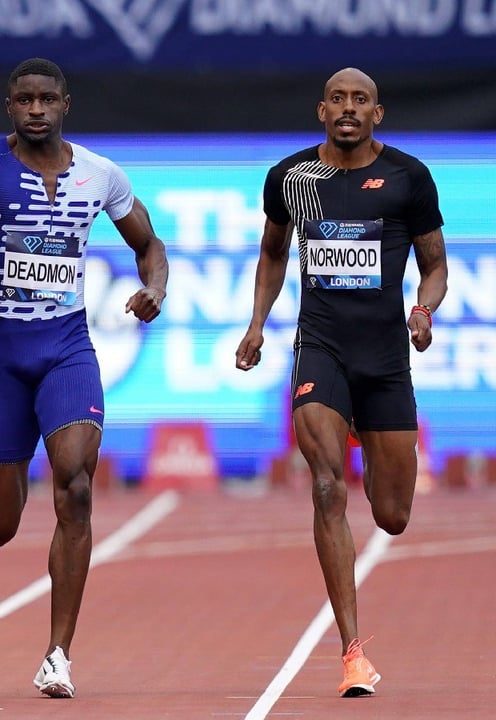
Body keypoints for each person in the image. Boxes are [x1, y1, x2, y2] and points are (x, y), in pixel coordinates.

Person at [0, 58, 168, 697]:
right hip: (5, 358)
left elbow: (149, 245)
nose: (35, 109)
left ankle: (58, 653)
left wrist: (155, 287)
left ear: (66, 103)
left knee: (76, 484)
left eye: (46, 99)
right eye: (24, 100)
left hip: (68, 350)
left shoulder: (101, 174)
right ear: (9, 106)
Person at [235, 67, 448, 697]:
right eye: (338, 99)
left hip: (384, 358)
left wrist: (423, 309)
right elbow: (273, 252)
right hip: (320, 349)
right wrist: (256, 325)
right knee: (328, 487)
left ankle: (365, 429)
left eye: (361, 100)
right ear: (321, 111)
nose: (348, 108)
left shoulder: (408, 177)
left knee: (393, 515)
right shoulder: (292, 178)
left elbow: (435, 264)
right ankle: (353, 652)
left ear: (377, 113)